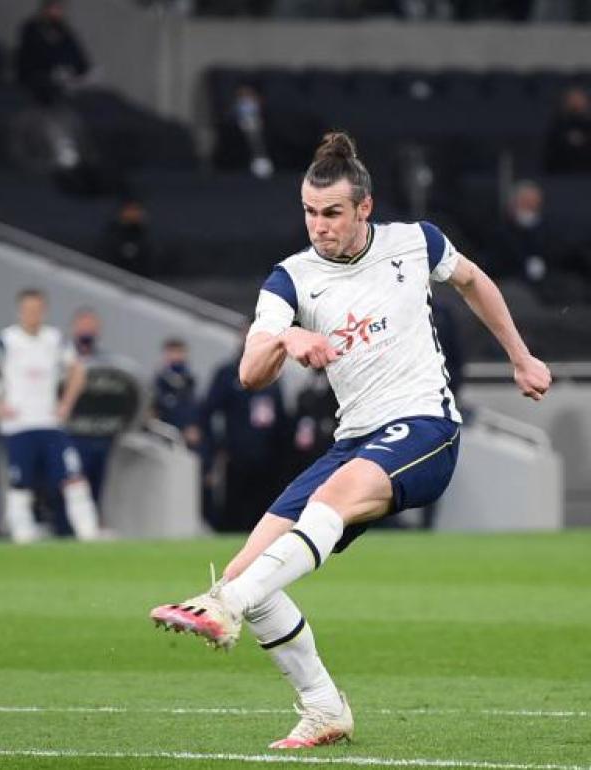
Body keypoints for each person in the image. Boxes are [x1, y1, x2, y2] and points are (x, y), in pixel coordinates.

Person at [150, 132, 550, 749]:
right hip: (355, 442)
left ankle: (220, 604)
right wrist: (286, 341)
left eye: (332, 213)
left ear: (364, 207)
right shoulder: (292, 279)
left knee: (323, 508)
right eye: (309, 213)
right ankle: (322, 707)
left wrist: (520, 357)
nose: (319, 226)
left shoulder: (414, 241)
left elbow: (474, 281)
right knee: (253, 572)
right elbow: (250, 370)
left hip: (425, 428)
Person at [0, 289, 99, 543]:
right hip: (19, 425)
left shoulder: (55, 340)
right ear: (20, 311)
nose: (33, 315)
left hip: (50, 423)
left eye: (37, 310)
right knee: (20, 485)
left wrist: (65, 404)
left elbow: (78, 372)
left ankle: (88, 533)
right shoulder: (5, 340)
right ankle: (23, 537)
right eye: (28, 310)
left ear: (43, 311)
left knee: (73, 478)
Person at [198, 327, 290, 532]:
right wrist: (216, 446)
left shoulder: (273, 374)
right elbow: (207, 411)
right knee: (235, 509)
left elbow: (281, 418)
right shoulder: (228, 373)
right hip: (236, 456)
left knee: (264, 509)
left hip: (267, 456)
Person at [64, 308, 142, 508]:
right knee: (69, 482)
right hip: (71, 433)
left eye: (91, 326)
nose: (87, 331)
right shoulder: (62, 358)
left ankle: (91, 526)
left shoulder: (108, 363)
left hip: (102, 434)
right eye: (84, 326)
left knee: (98, 484)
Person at [15, 0, 90, 105]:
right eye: (55, 8)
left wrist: (76, 71)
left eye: (60, 9)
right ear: (45, 9)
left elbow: (79, 58)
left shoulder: (65, 32)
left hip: (65, 79)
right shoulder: (31, 29)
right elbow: (33, 59)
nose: (58, 12)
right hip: (37, 81)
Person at [151, 338, 199, 448]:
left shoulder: (189, 382)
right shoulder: (159, 381)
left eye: (179, 352)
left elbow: (192, 408)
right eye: (171, 352)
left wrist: (191, 426)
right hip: (160, 433)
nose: (175, 357)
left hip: (180, 438)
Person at [94, 198, 158, 278]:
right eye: (131, 209)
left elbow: (149, 265)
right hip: (112, 281)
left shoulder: (145, 236)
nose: (135, 213)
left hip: (141, 283)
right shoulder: (112, 235)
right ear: (122, 211)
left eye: (137, 210)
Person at [543, 86, 591, 174]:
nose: (576, 103)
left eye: (579, 99)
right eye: (573, 99)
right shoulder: (558, 126)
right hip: (561, 175)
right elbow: (550, 156)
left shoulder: (588, 125)